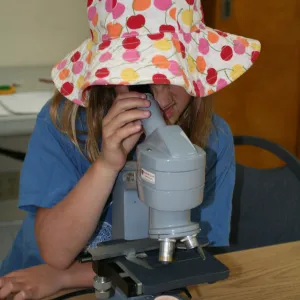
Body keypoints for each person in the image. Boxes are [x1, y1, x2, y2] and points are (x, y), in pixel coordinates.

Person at [0, 0, 261, 298]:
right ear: (109, 77)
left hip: (119, 279)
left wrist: (67, 277)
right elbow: (56, 255)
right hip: (36, 281)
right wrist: (107, 165)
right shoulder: (64, 124)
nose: (162, 99)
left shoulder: (213, 139)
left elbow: (191, 256)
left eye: (173, 75)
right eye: (141, 82)